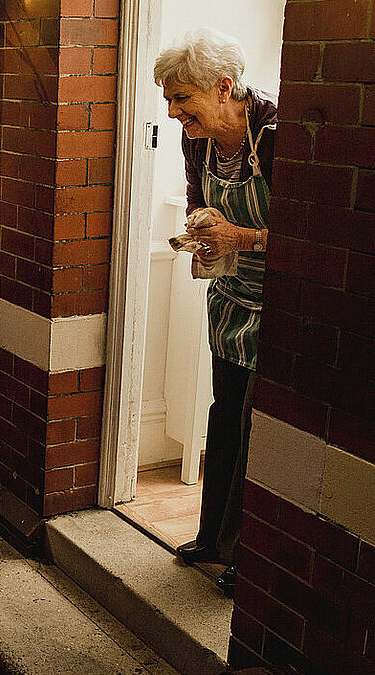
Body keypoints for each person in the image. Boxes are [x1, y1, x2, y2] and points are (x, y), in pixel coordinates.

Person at [154, 27, 277, 596]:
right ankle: (213, 539)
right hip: (231, 301)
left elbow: (309, 236)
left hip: (276, 307)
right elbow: (198, 199)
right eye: (169, 99)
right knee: (225, 415)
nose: (173, 112)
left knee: (258, 430)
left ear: (224, 88)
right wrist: (202, 229)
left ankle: (247, 558)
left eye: (183, 99)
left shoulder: (275, 135)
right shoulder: (199, 142)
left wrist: (242, 238)